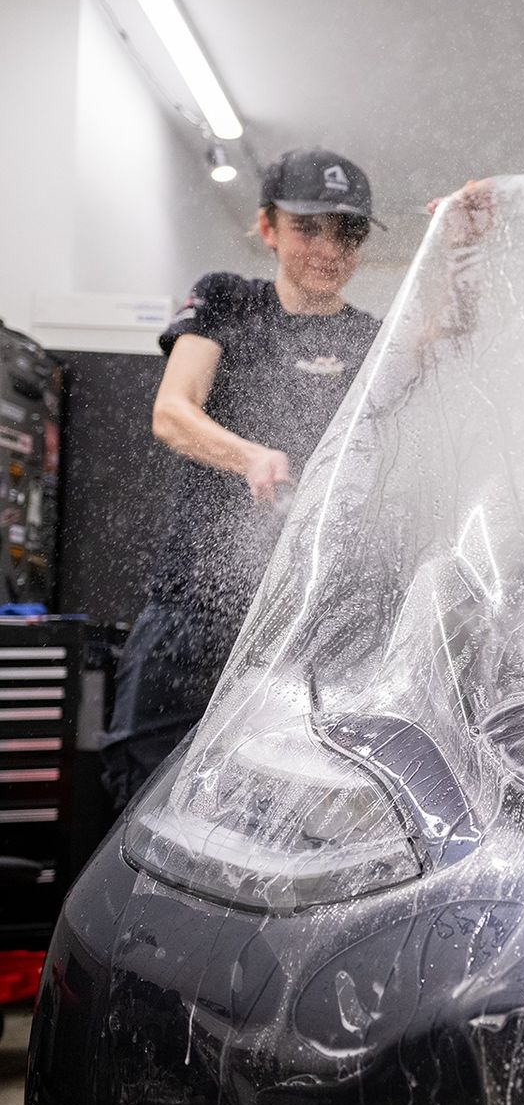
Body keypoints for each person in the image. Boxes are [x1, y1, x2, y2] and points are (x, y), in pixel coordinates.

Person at [100, 149, 385, 806]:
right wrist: (250, 456)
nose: (329, 249)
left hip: (306, 624)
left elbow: (448, 334)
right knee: (139, 794)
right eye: (309, 227)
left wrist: (464, 246)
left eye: (348, 232)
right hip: (191, 611)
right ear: (268, 228)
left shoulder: (373, 339)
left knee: (280, 810)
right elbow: (173, 412)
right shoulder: (227, 299)